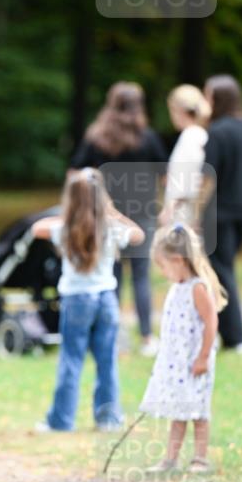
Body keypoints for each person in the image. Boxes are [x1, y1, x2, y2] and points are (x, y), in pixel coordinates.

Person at [32, 168, 144, 433]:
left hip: (76, 300)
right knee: (107, 361)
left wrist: (70, 212)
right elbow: (138, 234)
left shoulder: (64, 228)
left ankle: (61, 421)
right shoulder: (110, 228)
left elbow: (36, 228)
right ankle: (108, 419)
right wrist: (111, 212)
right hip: (106, 298)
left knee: (71, 361)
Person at [70, 81, 167, 357]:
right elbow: (165, 175)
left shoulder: (97, 137)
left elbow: (75, 172)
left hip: (105, 215)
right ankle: (147, 338)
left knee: (110, 276)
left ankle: (111, 336)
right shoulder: (148, 138)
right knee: (141, 277)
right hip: (142, 214)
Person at [141, 224, 227, 475]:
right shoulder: (177, 287)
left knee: (198, 411)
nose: (163, 272)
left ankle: (200, 458)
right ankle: (171, 459)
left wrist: (203, 357)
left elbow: (211, 322)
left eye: (163, 266)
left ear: (178, 260)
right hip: (177, 364)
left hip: (195, 362)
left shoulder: (197, 288)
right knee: (178, 411)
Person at [199, 75, 242, 353]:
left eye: (207, 96)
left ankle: (236, 337)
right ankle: (220, 333)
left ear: (217, 99)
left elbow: (207, 178)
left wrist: (195, 212)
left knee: (221, 272)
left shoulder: (217, 132)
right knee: (222, 269)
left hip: (220, 215)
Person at [159, 85, 211, 228]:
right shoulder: (198, 135)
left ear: (179, 110)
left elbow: (189, 178)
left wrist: (169, 208)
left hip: (183, 214)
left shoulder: (191, 136)